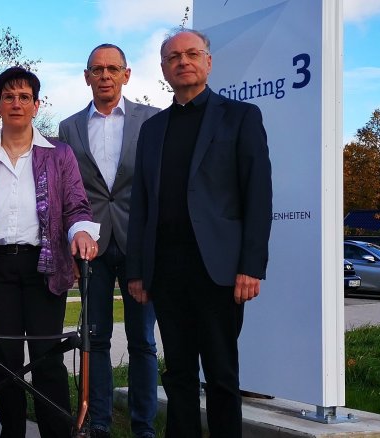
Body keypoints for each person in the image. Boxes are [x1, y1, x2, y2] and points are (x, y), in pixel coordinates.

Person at [126, 29, 272, 437]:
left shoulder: (240, 117)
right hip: (167, 270)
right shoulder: (153, 129)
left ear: (208, 62)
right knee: (178, 373)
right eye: (174, 57)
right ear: (163, 69)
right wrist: (138, 270)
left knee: (222, 373)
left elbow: (258, 195)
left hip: (219, 270)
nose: (183, 61)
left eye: (192, 53)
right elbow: (141, 205)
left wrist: (251, 265)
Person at [0, 67, 100, 438]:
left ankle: (56, 433)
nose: (17, 103)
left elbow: (77, 206)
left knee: (47, 360)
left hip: (45, 266)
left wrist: (80, 233)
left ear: (36, 104)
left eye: (24, 97)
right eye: (9, 97)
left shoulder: (59, 155)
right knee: (8, 361)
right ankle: (10, 432)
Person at [57, 43, 160, 438]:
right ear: (86, 77)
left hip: (138, 246)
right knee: (94, 338)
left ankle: (143, 426)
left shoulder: (151, 120)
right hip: (92, 247)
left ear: (126, 74)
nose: (104, 76)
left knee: (143, 342)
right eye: (97, 69)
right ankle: (98, 421)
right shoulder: (68, 128)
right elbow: (71, 190)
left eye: (112, 69)